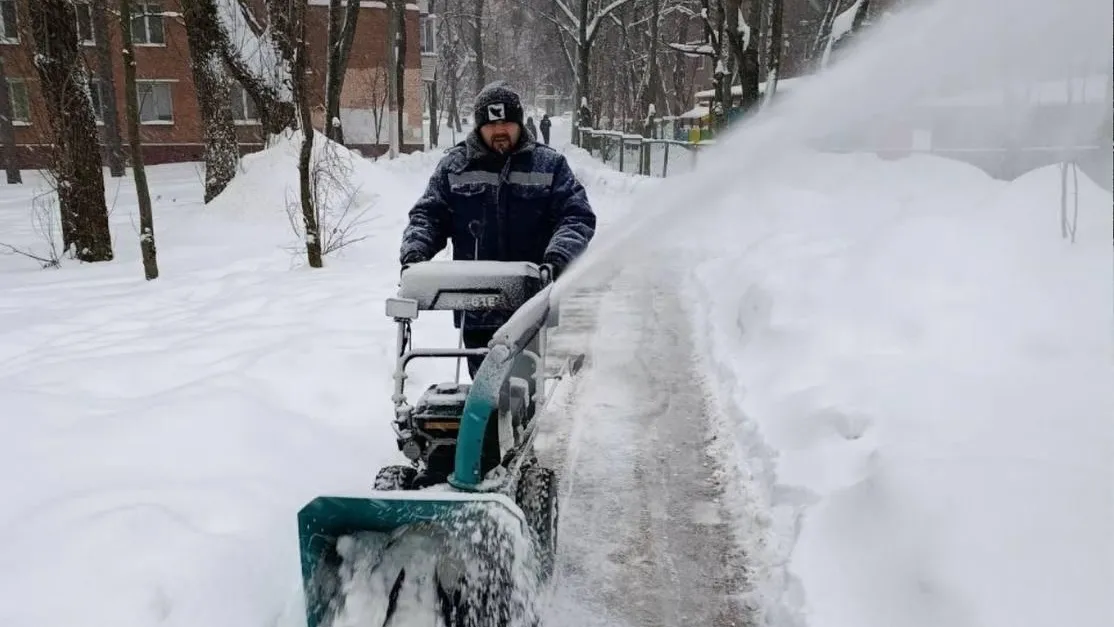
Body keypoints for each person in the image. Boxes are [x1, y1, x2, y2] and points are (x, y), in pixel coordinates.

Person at [399, 81, 596, 379]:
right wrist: (414, 253)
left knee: (521, 396)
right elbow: (429, 216)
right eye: (491, 124)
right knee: (483, 394)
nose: (499, 130)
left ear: (518, 122)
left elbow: (576, 215)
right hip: (475, 306)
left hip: (529, 303)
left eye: (506, 122)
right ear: (479, 127)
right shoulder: (455, 167)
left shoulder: (549, 165)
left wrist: (557, 259)